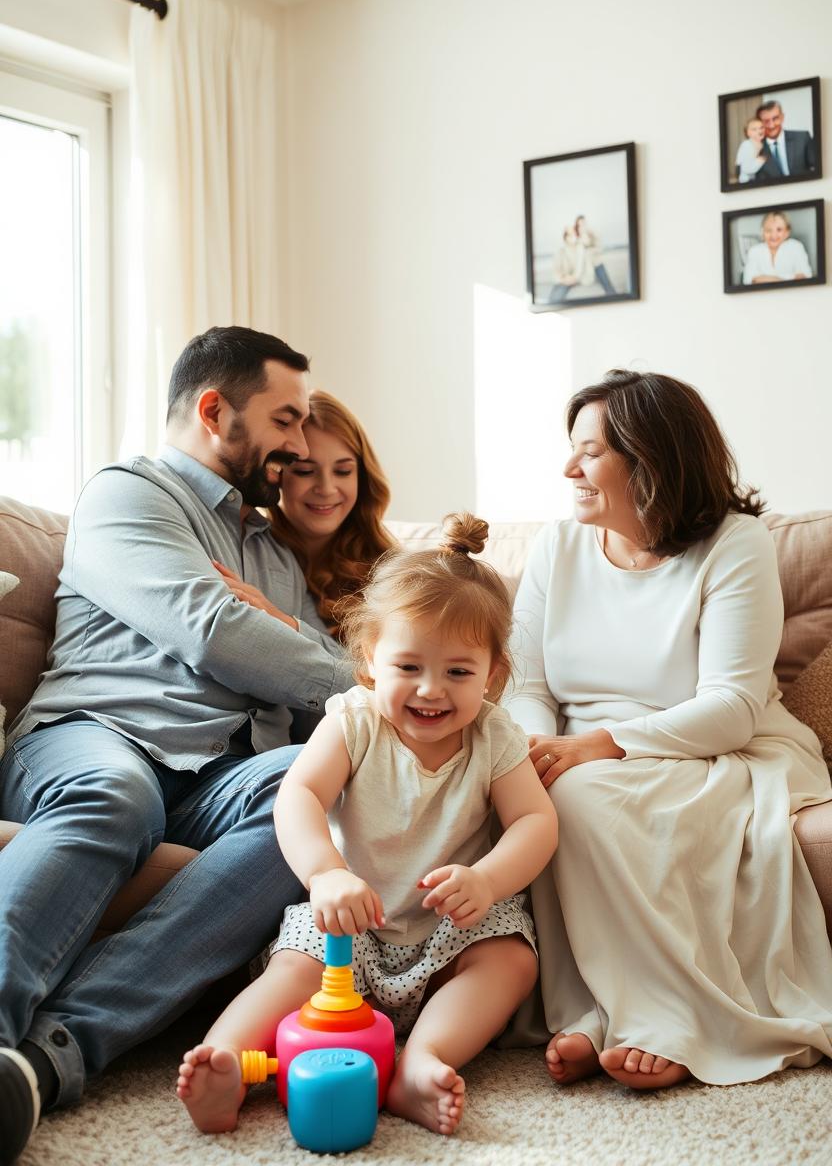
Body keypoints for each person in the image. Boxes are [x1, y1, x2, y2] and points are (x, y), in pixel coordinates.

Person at [0, 326, 356, 1166]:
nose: (301, 446)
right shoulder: (130, 493)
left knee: (319, 793)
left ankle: (45, 1059)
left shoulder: (274, 556)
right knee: (118, 793)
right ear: (212, 410)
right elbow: (211, 630)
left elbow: (308, 694)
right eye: (287, 419)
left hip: (216, 779)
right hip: (93, 739)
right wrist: (357, 681)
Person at [176, 513, 558, 1136]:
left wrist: (488, 881)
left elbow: (535, 823)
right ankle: (226, 1063)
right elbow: (299, 793)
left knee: (511, 959)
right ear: (370, 660)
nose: (431, 690)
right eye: (408, 667)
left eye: (458, 672)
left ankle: (421, 1061)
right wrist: (325, 874)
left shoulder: (495, 735)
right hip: (348, 927)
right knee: (292, 970)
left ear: (492, 675)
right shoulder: (354, 722)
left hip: (452, 929)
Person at [504, 369, 832, 1090]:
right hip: (579, 751)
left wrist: (594, 748)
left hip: (719, 748)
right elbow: (525, 685)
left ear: (649, 460)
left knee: (579, 798)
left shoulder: (734, 545)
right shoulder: (558, 548)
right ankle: (599, 1010)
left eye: (588, 452)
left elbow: (734, 704)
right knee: (547, 792)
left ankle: (665, 1019)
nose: (568, 468)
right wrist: (533, 747)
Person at [269, 390, 397, 634]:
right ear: (277, 475)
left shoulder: (391, 573)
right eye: (305, 471)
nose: (326, 489)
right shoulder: (250, 554)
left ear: (362, 476)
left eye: (343, 471)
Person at [752, 100, 816, 182]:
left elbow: (819, 169)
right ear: (759, 123)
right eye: (766, 121)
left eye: (775, 119)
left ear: (782, 117)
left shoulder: (802, 138)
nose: (771, 125)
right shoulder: (753, 148)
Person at [742, 210, 811, 285]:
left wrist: (764, 278)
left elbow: (804, 278)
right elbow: (749, 280)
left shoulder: (796, 247)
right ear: (762, 232)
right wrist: (790, 278)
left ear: (787, 232)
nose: (773, 235)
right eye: (768, 230)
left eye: (779, 230)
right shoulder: (754, 251)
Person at [547, 225, 595, 304]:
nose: (573, 237)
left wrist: (571, 279)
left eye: (574, 234)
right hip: (567, 279)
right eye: (570, 235)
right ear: (566, 237)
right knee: (556, 290)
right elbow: (555, 270)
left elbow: (579, 271)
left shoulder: (580, 248)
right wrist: (562, 278)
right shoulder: (562, 251)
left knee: (560, 290)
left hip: (581, 278)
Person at [574, 215, 615, 295]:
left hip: (597, 263)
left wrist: (590, 250)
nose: (582, 226)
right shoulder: (577, 239)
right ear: (577, 226)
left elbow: (600, 248)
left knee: (607, 285)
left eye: (583, 223)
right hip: (585, 267)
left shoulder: (592, 234)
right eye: (580, 225)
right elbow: (577, 256)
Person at [734, 115, 769, 183]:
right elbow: (746, 169)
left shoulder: (763, 143)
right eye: (754, 129)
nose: (759, 131)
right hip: (746, 181)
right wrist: (761, 159)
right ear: (747, 133)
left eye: (761, 127)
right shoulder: (747, 145)